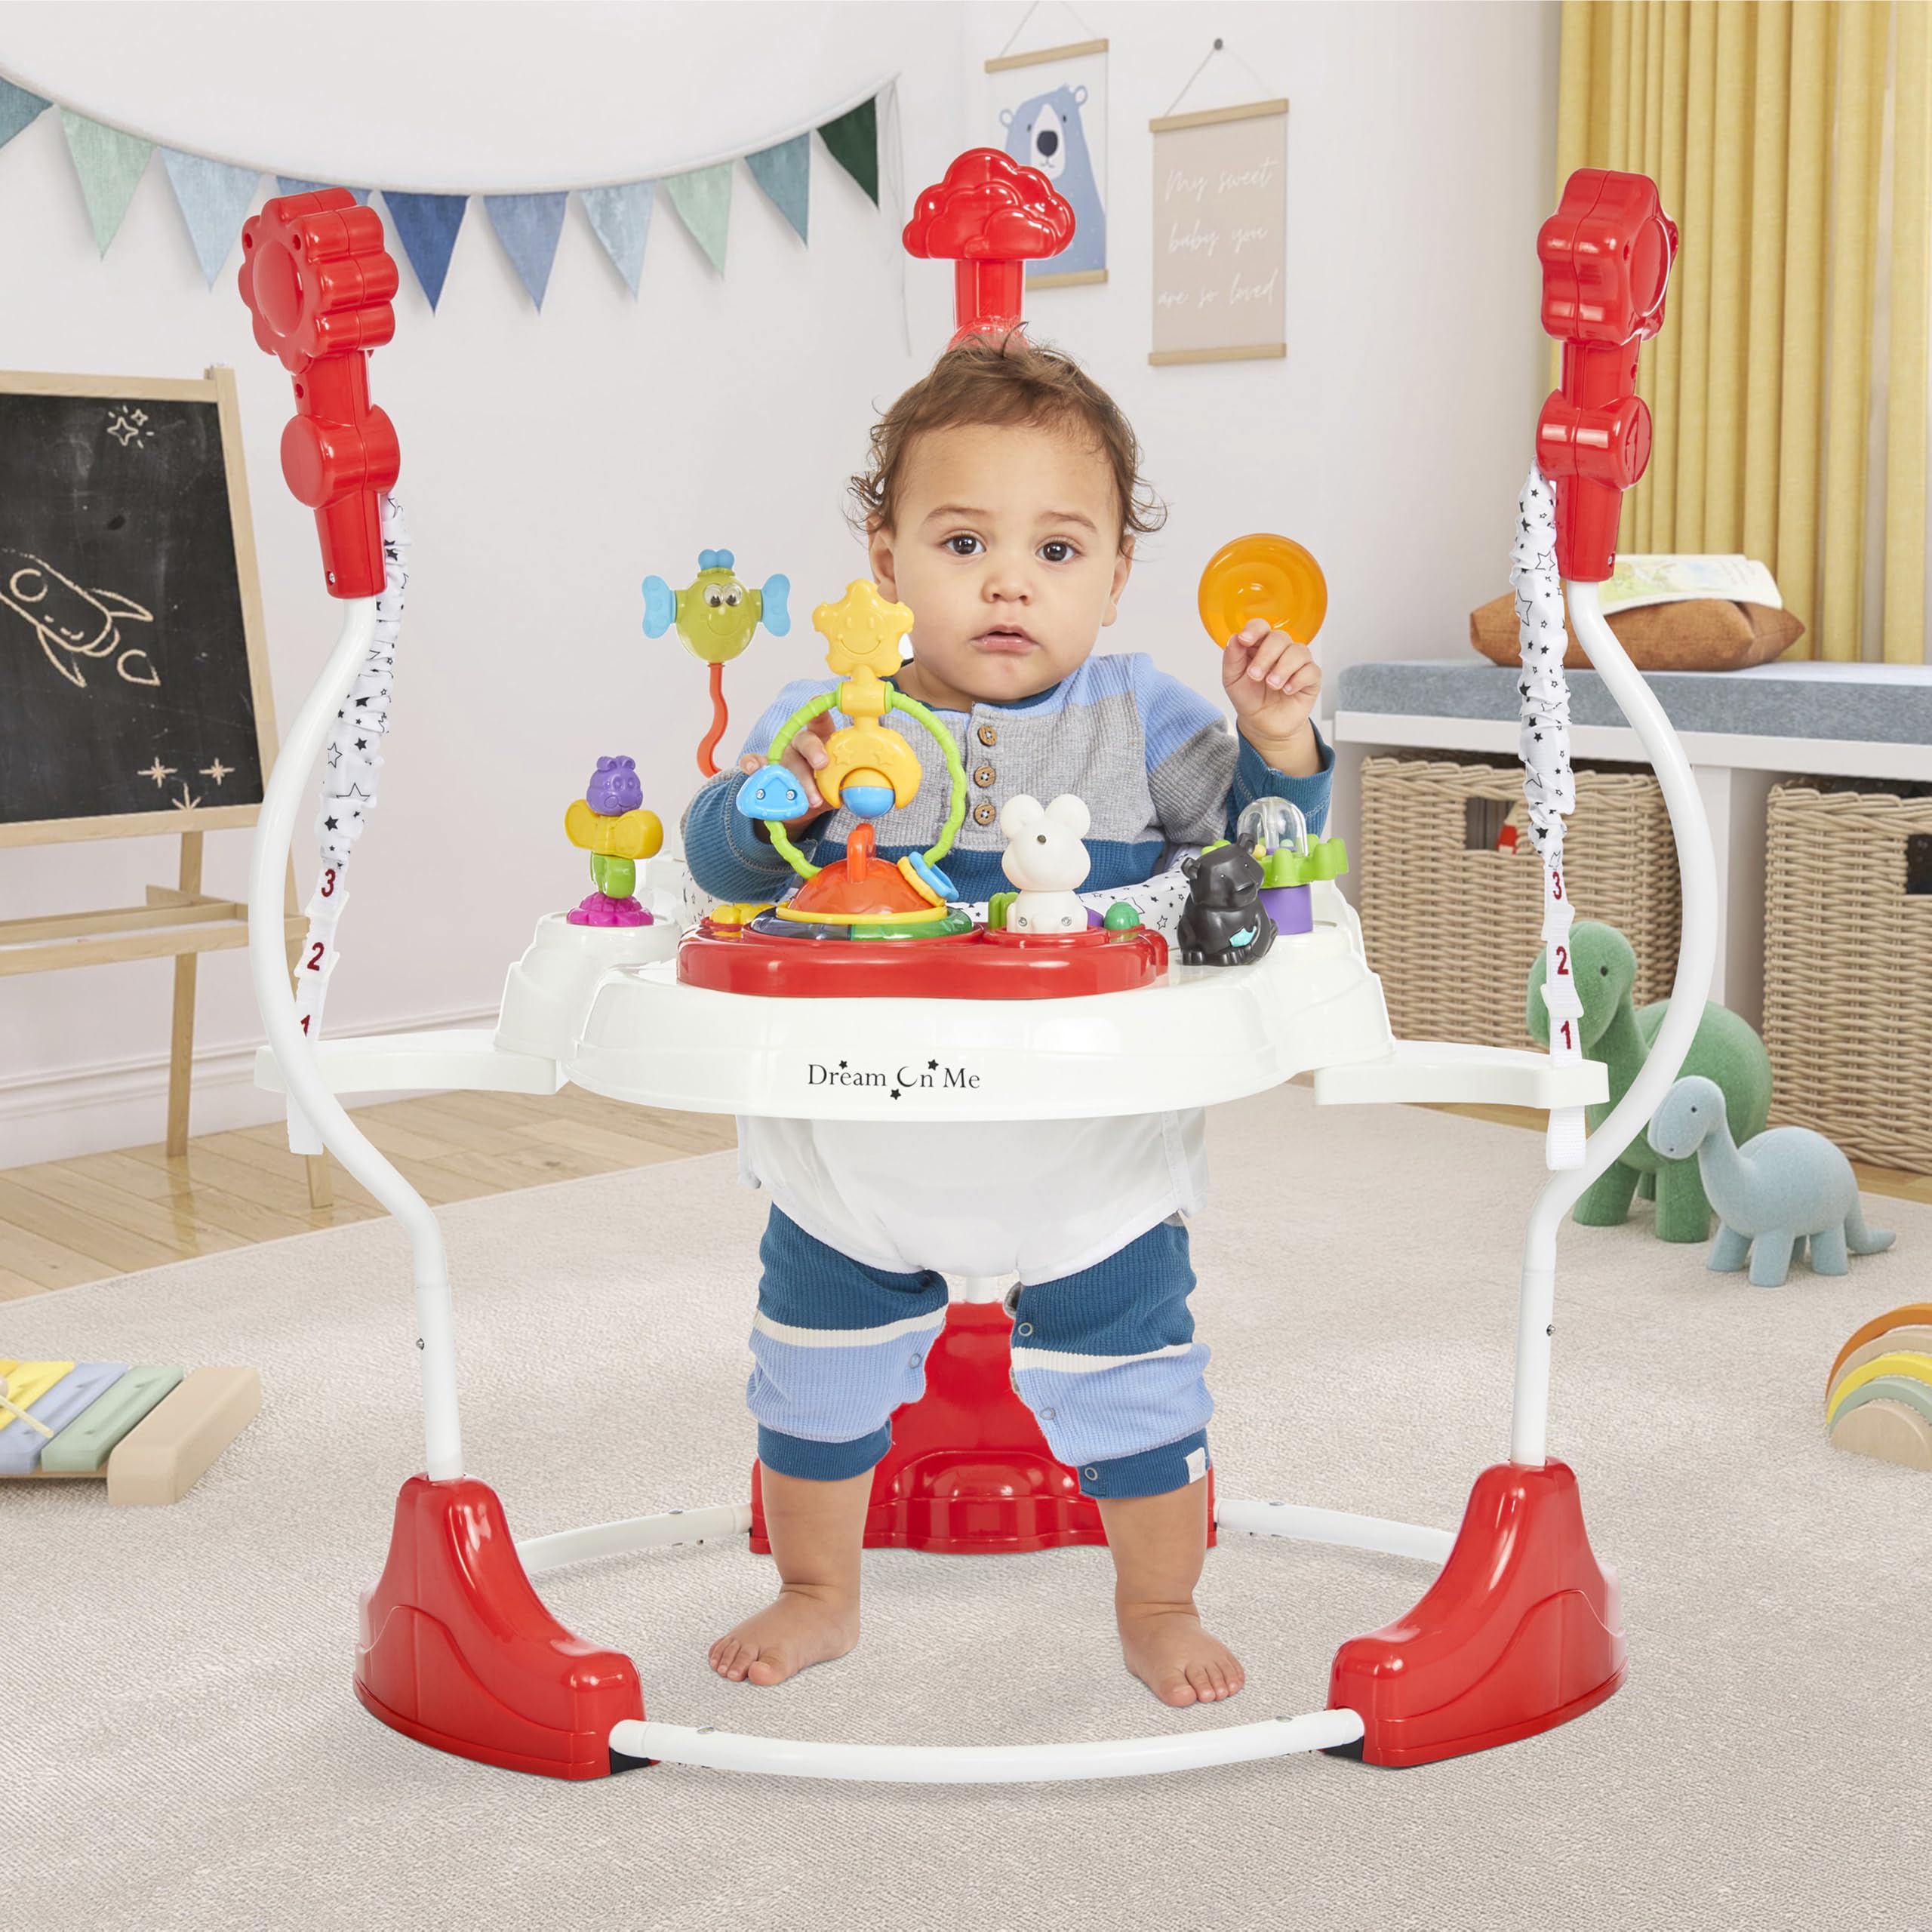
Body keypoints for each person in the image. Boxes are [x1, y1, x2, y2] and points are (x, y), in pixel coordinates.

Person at [680, 333, 1330, 1708]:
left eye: (1056, 549)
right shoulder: (829, 716)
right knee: (811, 1372)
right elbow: (723, 871)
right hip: (862, 1148)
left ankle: (1158, 1601)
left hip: (1086, 1156)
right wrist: (781, 798)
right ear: (887, 562)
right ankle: (818, 1590)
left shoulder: (1148, 717)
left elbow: (1263, 868)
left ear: (1116, 576)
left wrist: (1279, 745)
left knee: (1137, 1372)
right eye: (964, 541)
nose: (1008, 582)